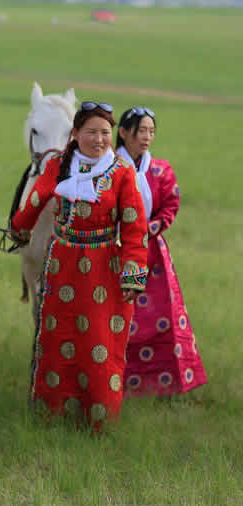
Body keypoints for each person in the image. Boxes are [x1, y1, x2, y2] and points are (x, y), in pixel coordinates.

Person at [10, 101, 148, 431]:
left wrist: (133, 273)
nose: (99, 140)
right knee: (58, 337)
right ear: (75, 134)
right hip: (62, 266)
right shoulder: (59, 166)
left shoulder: (121, 174)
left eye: (105, 133)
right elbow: (35, 200)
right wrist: (19, 227)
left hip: (103, 267)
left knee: (99, 342)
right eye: (91, 132)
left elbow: (134, 227)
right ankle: (53, 414)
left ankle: (97, 421)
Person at [116, 107, 207, 397]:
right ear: (123, 132)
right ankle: (114, 380)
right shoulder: (109, 167)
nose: (146, 137)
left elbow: (170, 205)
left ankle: (160, 384)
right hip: (114, 250)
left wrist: (149, 228)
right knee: (117, 314)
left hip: (151, 250)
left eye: (151, 131)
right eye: (141, 131)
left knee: (160, 316)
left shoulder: (161, 170)